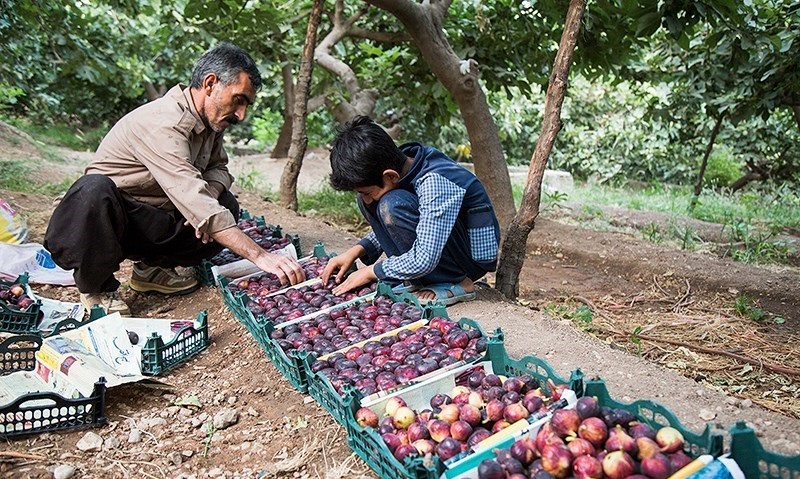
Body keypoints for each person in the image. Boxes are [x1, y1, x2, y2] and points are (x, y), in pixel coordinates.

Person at [44, 42, 305, 316]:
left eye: (246, 105)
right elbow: (191, 194)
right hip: (107, 220)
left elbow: (220, 170)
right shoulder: (164, 123)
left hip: (150, 216)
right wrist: (261, 256)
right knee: (95, 190)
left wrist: (209, 199)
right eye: (238, 100)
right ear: (210, 83)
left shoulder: (210, 124)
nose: (241, 114)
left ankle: (150, 270)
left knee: (224, 205)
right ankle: (95, 288)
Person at [321, 115, 500, 306]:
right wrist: (355, 251)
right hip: (441, 243)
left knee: (390, 204)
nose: (366, 198)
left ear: (390, 176)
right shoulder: (403, 168)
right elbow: (420, 224)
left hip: (470, 260)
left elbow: (424, 255)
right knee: (375, 201)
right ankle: (417, 277)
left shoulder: (434, 182)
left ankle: (459, 282)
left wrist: (372, 271)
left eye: (367, 191)